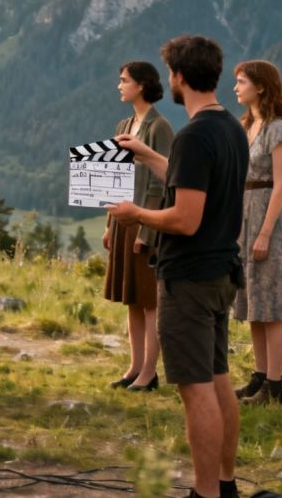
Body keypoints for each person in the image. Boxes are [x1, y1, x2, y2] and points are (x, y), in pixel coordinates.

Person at [108, 35, 248, 498]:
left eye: (170, 73)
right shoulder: (228, 126)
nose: (169, 80)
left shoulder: (192, 135)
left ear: (180, 77)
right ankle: (224, 485)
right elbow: (194, 182)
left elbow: (185, 219)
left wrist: (138, 215)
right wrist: (146, 154)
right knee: (219, 378)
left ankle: (204, 492)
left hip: (189, 276)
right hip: (222, 270)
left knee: (194, 389)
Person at [231, 60, 282, 405]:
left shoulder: (278, 129)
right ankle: (259, 377)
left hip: (267, 218)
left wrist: (264, 232)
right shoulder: (248, 125)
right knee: (254, 303)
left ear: (260, 86)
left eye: (241, 82)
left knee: (271, 305)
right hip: (245, 215)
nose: (236, 88)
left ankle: (275, 385)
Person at [103, 62, 173, 392]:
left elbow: (163, 184)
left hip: (147, 221)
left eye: (124, 81)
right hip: (123, 219)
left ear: (141, 85)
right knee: (131, 298)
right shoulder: (124, 123)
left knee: (149, 300)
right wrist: (108, 224)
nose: (119, 85)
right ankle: (134, 367)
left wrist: (146, 229)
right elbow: (114, 179)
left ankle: (149, 372)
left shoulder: (160, 128)